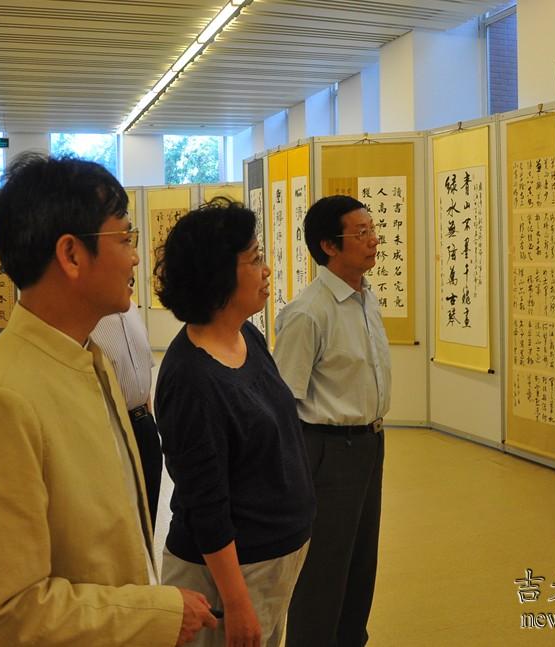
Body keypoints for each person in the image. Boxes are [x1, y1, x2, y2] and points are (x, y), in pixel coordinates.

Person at [0, 154, 217, 646]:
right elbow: (5, 615)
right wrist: (154, 614)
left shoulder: (87, 359)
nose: (135, 258)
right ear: (71, 254)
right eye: (124, 238)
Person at [154, 198, 316, 647]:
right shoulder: (191, 377)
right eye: (255, 259)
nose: (267, 271)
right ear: (219, 274)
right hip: (226, 579)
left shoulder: (247, 335)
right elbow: (205, 502)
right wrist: (237, 601)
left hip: (271, 561)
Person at [274, 195, 392, 647]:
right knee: (323, 570)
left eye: (373, 229)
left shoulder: (366, 298)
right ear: (328, 245)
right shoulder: (308, 312)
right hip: (326, 451)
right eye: (361, 233)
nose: (374, 239)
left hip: (369, 445)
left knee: (361, 562)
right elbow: (284, 403)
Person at [90, 300, 163, 529]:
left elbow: (142, 368)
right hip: (110, 433)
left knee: (148, 516)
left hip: (143, 425)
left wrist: (147, 418)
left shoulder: (131, 309)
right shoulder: (88, 316)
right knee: (121, 526)